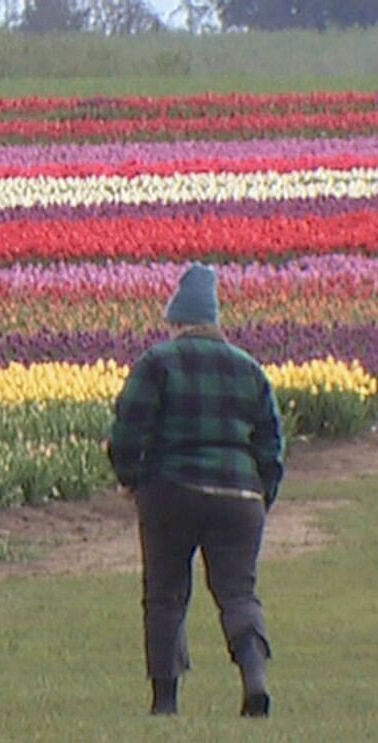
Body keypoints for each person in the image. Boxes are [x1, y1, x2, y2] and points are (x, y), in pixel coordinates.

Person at [109, 263, 285, 718]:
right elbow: (271, 445)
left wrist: (131, 477)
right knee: (238, 593)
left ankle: (165, 702)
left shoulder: (158, 363)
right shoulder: (250, 370)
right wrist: (262, 494)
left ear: (178, 320)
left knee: (165, 593)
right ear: (215, 319)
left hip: (172, 489)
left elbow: (129, 430)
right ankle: (254, 678)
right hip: (241, 497)